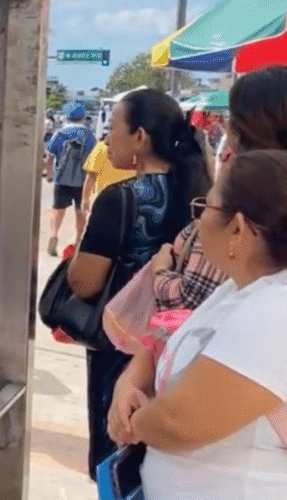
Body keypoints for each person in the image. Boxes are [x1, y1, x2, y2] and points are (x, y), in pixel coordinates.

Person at [109, 150, 287, 499]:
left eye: (207, 206)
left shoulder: (275, 309)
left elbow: (179, 422)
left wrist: (134, 421)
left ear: (237, 228)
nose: (199, 219)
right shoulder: (237, 290)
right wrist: (129, 385)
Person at [66, 88, 210, 479]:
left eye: (112, 128)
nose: (106, 138)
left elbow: (85, 282)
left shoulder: (120, 198)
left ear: (140, 137)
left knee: (118, 456)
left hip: (123, 351)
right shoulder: (204, 197)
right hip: (184, 350)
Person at [45, 101, 97, 256]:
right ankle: (77, 241)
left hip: (61, 179)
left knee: (58, 209)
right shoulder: (89, 135)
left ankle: (54, 234)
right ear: (83, 117)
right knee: (80, 210)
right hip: (81, 180)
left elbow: (49, 157)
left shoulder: (59, 134)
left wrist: (49, 175)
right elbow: (91, 159)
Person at [80, 137, 135, 215]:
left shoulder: (101, 147)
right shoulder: (137, 150)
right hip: (128, 200)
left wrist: (85, 199)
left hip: (104, 198)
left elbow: (91, 177)